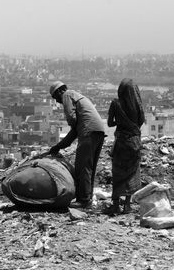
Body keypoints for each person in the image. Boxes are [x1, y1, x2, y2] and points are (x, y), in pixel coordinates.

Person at [47, 81, 105, 208]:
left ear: (59, 92)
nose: (57, 101)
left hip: (88, 131)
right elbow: (74, 132)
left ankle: (83, 200)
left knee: (82, 167)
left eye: (55, 98)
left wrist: (57, 146)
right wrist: (59, 146)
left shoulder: (67, 95)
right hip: (98, 131)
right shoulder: (77, 96)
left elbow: (72, 120)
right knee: (90, 166)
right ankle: (87, 198)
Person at [102, 78, 145, 215]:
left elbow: (109, 123)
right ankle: (127, 205)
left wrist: (119, 122)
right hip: (134, 143)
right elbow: (141, 120)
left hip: (121, 144)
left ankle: (115, 205)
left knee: (118, 173)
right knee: (132, 173)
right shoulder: (137, 105)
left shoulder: (115, 103)